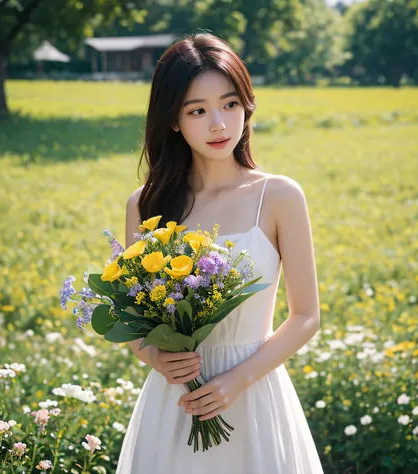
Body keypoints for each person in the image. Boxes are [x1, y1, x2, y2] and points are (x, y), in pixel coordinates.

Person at [116, 31, 324, 473]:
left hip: (254, 395)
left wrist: (237, 381)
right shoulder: (146, 205)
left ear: (247, 105)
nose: (219, 124)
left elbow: (306, 315)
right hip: (175, 402)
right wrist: (156, 358)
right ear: (173, 120)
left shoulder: (279, 195)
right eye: (198, 110)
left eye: (230, 104)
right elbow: (133, 320)